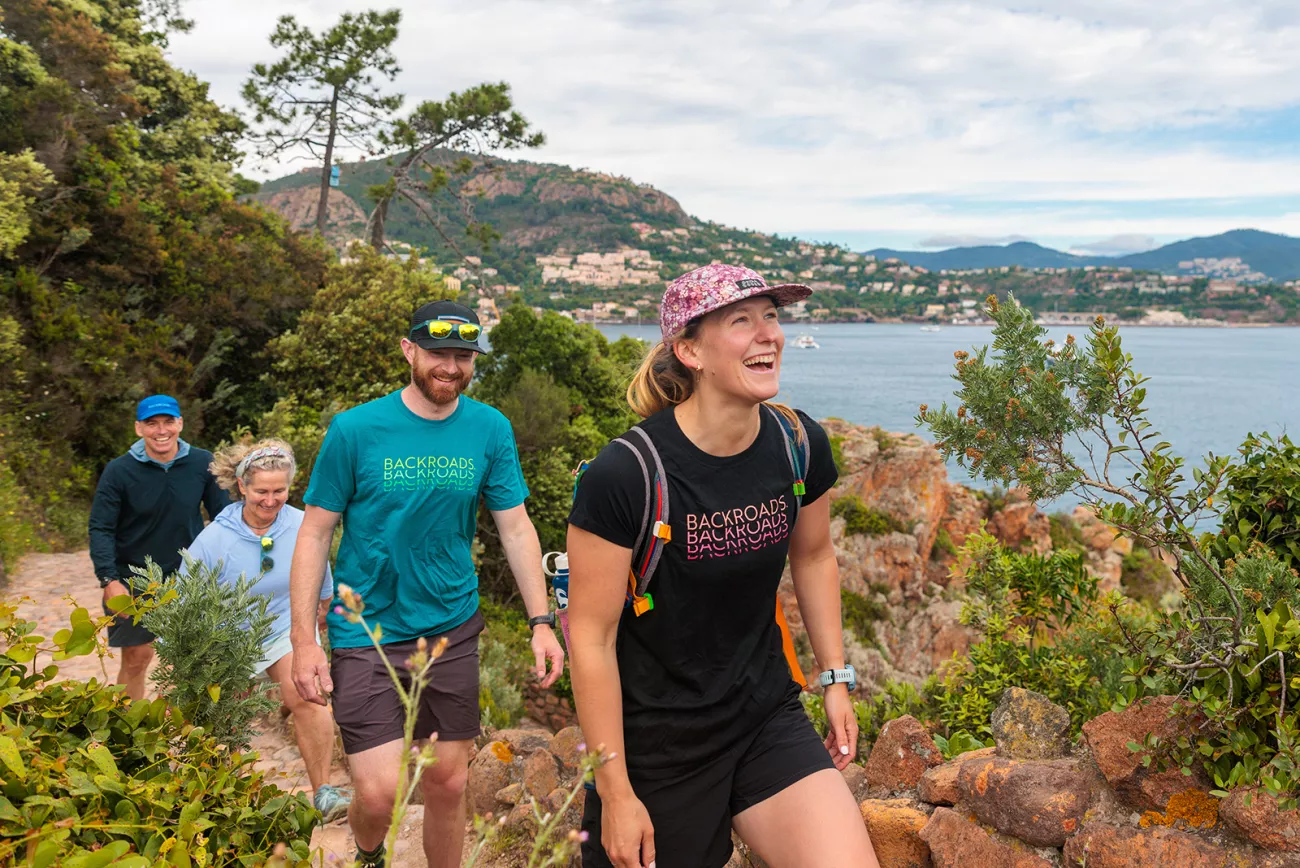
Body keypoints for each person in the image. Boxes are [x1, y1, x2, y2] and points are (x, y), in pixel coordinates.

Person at [566, 264, 881, 868]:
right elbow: (592, 637)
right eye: (741, 321)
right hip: (655, 747)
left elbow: (813, 556)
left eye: (772, 316)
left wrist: (834, 677)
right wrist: (616, 791)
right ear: (690, 349)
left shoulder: (798, 442)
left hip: (763, 718)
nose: (768, 334)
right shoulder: (625, 476)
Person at [288, 300, 566, 868]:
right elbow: (314, 534)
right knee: (378, 791)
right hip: (365, 629)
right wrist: (303, 641)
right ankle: (368, 852)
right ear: (409, 350)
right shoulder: (356, 429)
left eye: (463, 357)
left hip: (450, 628)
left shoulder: (490, 429)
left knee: (447, 784)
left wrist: (542, 623)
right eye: (439, 353)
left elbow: (514, 527)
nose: (451, 367)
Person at [183, 438, 351, 823]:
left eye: (280, 490)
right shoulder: (214, 539)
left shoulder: (303, 526)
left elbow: (321, 586)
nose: (271, 500)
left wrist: (317, 625)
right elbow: (183, 601)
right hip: (228, 633)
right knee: (224, 711)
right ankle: (220, 793)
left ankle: (324, 792)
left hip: (282, 625)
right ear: (241, 486)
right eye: (262, 491)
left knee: (307, 695)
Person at [89, 394, 231, 700]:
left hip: (190, 576)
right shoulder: (119, 471)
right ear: (139, 429)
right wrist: (109, 580)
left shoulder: (203, 463)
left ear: (180, 424)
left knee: (199, 659)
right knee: (137, 658)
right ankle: (130, 735)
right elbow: (101, 528)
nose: (161, 430)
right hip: (133, 578)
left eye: (168, 421)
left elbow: (225, 519)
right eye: (152, 423)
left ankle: (198, 737)